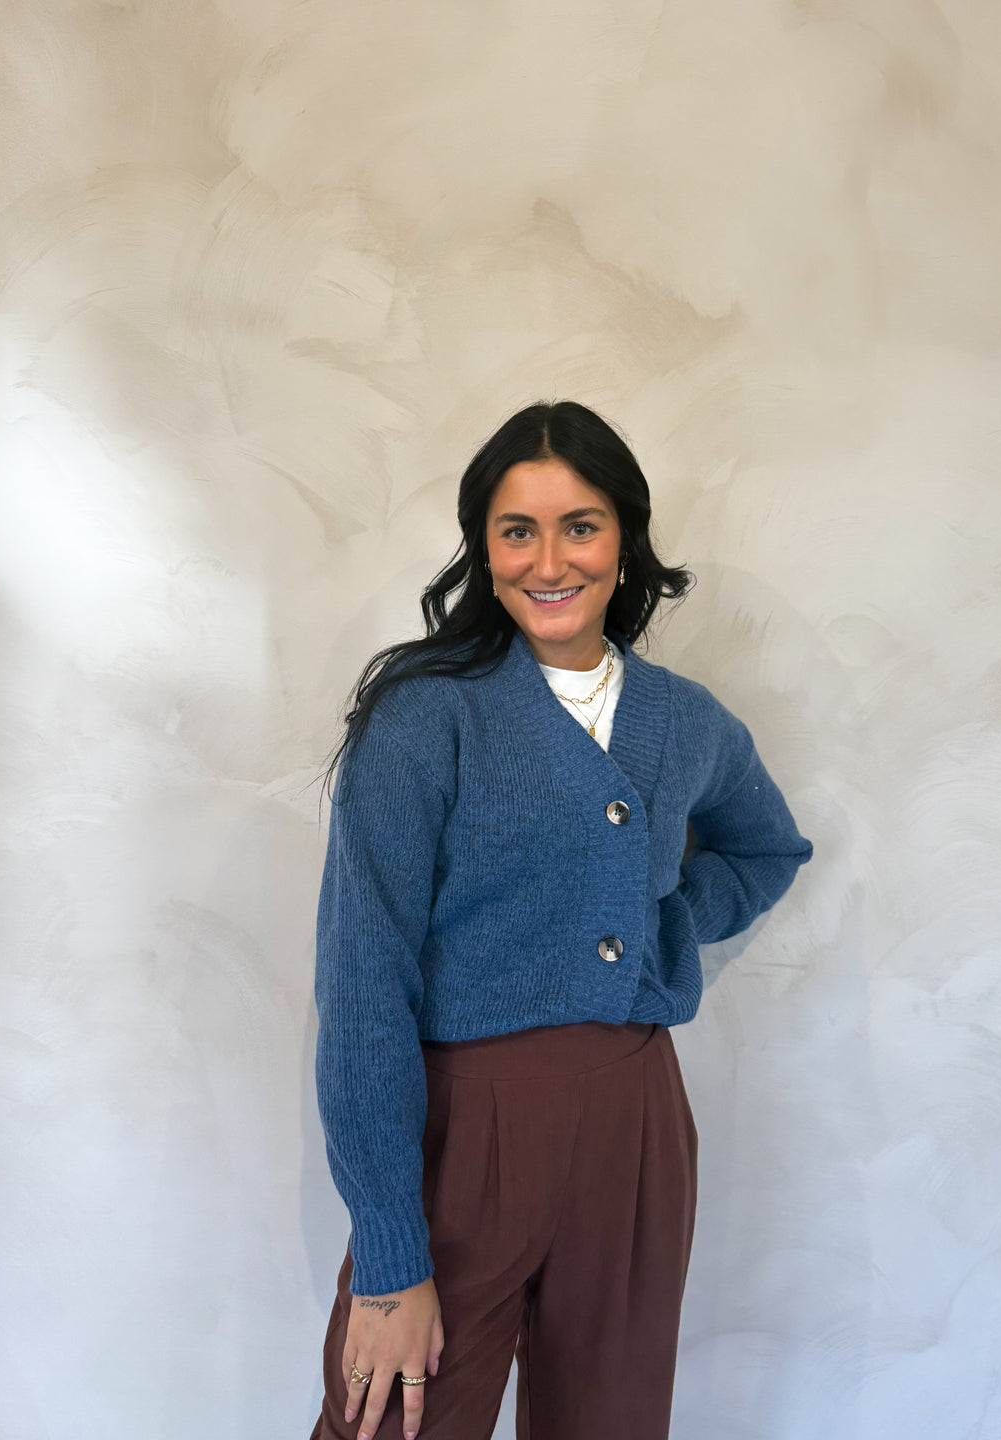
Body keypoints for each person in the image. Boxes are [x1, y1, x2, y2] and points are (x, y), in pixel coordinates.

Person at [306, 400, 814, 1440]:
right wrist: (391, 1263)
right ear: (483, 547)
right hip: (462, 1130)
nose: (549, 561)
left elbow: (766, 848)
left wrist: (668, 924)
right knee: (393, 1418)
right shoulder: (425, 715)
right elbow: (363, 984)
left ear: (624, 540)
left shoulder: (686, 720)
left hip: (635, 1120)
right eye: (517, 530)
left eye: (580, 525)